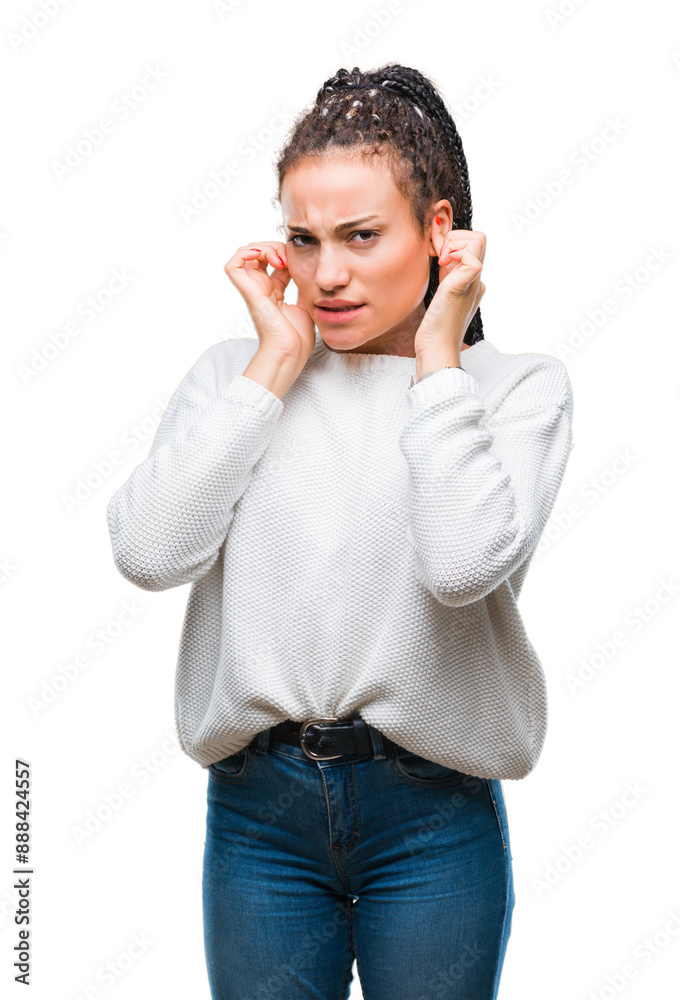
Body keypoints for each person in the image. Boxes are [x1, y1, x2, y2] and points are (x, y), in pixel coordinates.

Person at [106, 63, 574, 1000]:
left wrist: (438, 358)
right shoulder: (235, 378)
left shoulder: (515, 391)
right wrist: (275, 366)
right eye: (304, 238)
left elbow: (460, 565)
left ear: (438, 232)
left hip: (432, 815)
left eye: (362, 237)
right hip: (259, 816)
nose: (327, 274)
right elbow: (148, 554)